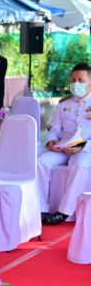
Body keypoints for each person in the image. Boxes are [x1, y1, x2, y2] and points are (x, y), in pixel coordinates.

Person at [38, 63, 91, 225]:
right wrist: (51, 141)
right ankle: (41, 208)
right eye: (73, 80)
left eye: (80, 80)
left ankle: (64, 212)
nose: (76, 83)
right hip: (62, 147)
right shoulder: (64, 103)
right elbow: (55, 129)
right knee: (40, 163)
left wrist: (82, 147)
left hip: (86, 148)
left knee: (80, 165)